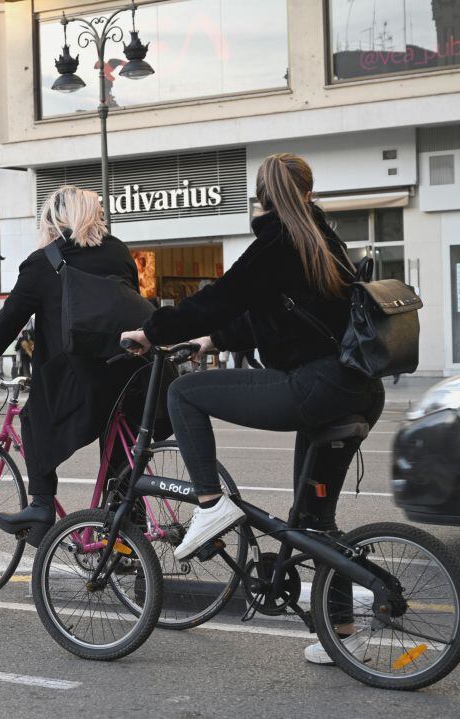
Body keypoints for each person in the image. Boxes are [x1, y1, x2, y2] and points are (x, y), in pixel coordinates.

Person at [121, 153, 385, 665]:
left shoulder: (278, 243)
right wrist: (211, 339)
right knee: (313, 517)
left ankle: (209, 504)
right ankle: (343, 632)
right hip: (357, 391)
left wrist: (151, 331)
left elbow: (221, 296)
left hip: (314, 388)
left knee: (185, 394)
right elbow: (270, 317)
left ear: (263, 197)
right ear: (308, 192)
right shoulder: (323, 240)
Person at [0, 185, 144, 546]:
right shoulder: (118, 252)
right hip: (132, 368)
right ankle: (128, 533)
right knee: (118, 441)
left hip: (81, 373)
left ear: (54, 220)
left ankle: (40, 505)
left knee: (33, 418)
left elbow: (6, 325)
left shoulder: (43, 263)